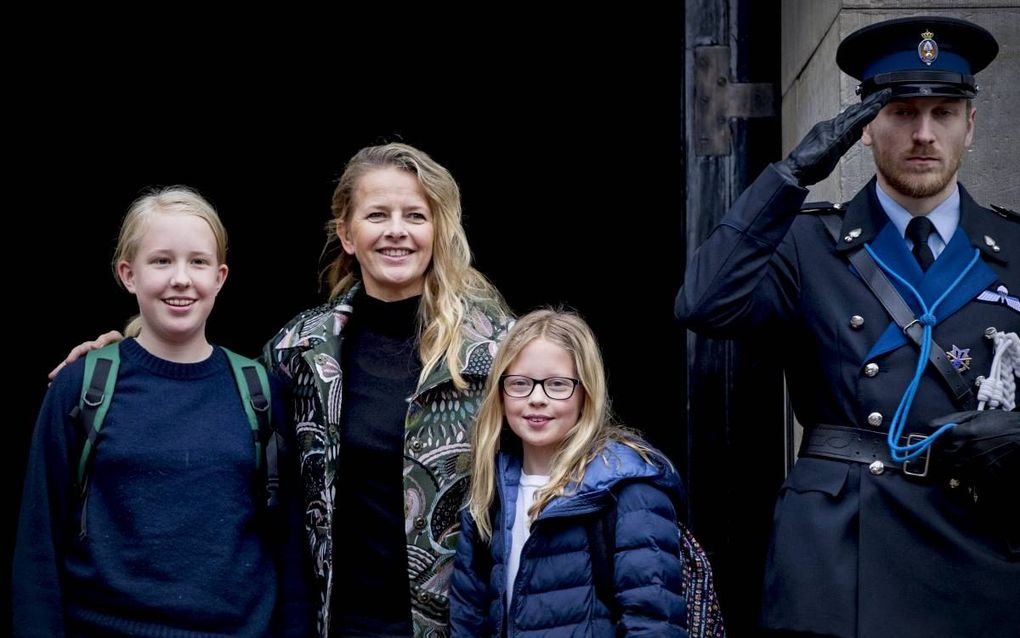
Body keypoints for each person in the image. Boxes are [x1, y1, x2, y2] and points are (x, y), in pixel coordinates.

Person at [50, 143, 515, 638]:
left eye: (415, 215)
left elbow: (566, 448)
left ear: (438, 230)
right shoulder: (301, 350)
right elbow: (205, 387)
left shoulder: (498, 350)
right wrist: (124, 350)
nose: (396, 230)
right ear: (347, 234)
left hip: (461, 623)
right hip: (331, 624)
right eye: (376, 214)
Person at [675, 15, 1019, 638]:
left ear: (970, 125)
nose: (923, 134)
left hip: (978, 548)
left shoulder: (1015, 250)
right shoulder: (807, 240)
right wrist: (791, 176)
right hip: (841, 559)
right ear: (864, 129)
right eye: (901, 113)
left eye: (943, 113)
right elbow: (702, 303)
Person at [14, 187, 310, 637]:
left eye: (198, 262)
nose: (180, 278)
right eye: (161, 261)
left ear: (220, 277)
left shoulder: (258, 392)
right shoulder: (83, 387)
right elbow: (38, 544)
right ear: (128, 274)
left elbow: (288, 547)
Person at [448, 309, 690, 637]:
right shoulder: (489, 490)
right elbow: (467, 618)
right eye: (519, 383)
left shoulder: (630, 490)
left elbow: (653, 623)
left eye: (557, 385)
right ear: (500, 393)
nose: (536, 398)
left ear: (585, 392)